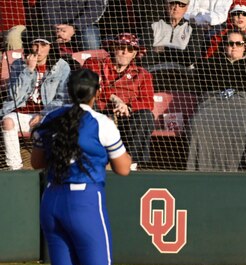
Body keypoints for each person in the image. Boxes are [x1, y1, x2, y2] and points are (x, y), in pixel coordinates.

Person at [30, 68, 132, 265]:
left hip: (52, 201)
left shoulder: (51, 117)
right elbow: (124, 169)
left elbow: (36, 162)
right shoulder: (102, 122)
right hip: (84, 203)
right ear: (96, 93)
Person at [187, 29, 246, 171]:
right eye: (230, 43)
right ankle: (201, 170)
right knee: (199, 122)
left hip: (244, 104)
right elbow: (207, 83)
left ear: (245, 46)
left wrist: (228, 84)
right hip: (214, 103)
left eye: (238, 43)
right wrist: (236, 83)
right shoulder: (211, 63)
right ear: (224, 45)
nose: (234, 47)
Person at [83, 33, 155, 168]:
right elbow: (90, 88)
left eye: (130, 50)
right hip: (100, 112)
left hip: (126, 117)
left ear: (134, 54)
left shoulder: (143, 74)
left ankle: (131, 164)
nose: (124, 52)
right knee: (87, 107)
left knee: (146, 116)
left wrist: (128, 107)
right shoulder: (93, 63)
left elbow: (148, 102)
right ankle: (89, 161)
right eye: (121, 47)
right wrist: (115, 99)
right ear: (113, 48)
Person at [1, 31, 70, 170]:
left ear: (51, 46)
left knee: (61, 124)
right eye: (35, 45)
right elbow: (13, 97)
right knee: (7, 122)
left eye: (43, 45)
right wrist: (29, 70)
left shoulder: (62, 66)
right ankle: (15, 169)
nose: (39, 50)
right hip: (22, 113)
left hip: (48, 114)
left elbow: (62, 98)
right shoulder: (18, 65)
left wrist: (43, 114)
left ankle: (56, 168)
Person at [142, 0, 207, 91]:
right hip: (154, 73)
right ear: (166, 4)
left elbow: (190, 59)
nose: (176, 8)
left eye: (181, 4)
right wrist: (180, 51)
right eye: (172, 3)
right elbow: (146, 58)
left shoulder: (195, 29)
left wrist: (164, 49)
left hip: (184, 76)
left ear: (187, 7)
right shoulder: (153, 25)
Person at [39, 0, 107, 50]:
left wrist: (73, 27)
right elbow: (48, 5)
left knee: (91, 42)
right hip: (56, 25)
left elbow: (95, 9)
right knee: (41, 42)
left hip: (84, 25)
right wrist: (57, 28)